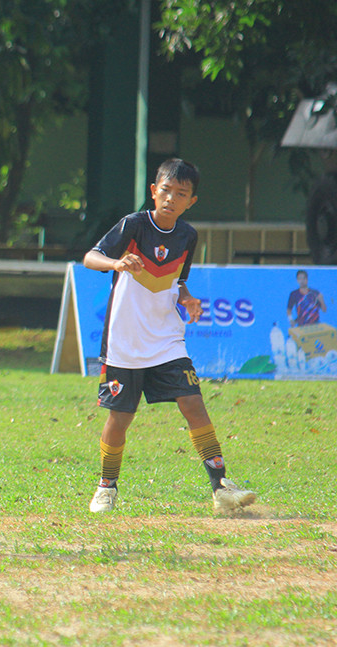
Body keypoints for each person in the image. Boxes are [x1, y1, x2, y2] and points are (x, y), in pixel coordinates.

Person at [82, 158, 256, 515]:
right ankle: (106, 487)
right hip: (124, 341)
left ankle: (221, 487)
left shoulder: (187, 236)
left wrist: (188, 298)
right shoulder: (133, 225)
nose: (171, 199)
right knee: (120, 418)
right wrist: (116, 263)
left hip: (166, 339)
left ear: (191, 201)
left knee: (193, 404)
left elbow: (176, 281)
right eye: (165, 190)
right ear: (153, 191)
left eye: (181, 194)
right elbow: (90, 257)